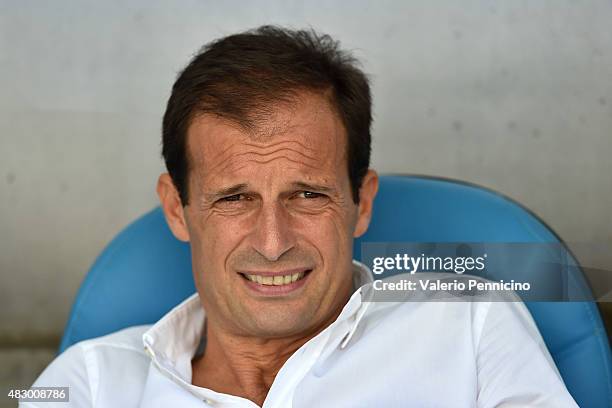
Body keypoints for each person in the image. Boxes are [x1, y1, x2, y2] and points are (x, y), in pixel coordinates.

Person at [22, 25, 577, 407]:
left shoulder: (467, 319)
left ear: (361, 202)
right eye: (234, 198)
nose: (272, 242)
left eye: (307, 195)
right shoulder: (89, 382)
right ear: (177, 208)